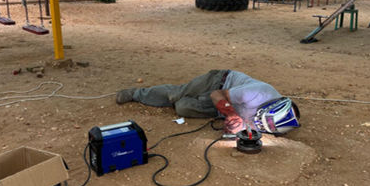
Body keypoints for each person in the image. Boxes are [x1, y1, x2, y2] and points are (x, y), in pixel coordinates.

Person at [116, 69, 300, 136]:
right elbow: (216, 95)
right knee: (175, 95)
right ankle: (136, 93)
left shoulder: (275, 124)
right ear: (270, 107)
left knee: (182, 108)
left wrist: (232, 126)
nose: (259, 126)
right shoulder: (258, 93)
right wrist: (232, 115)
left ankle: (185, 101)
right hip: (218, 83)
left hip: (221, 109)